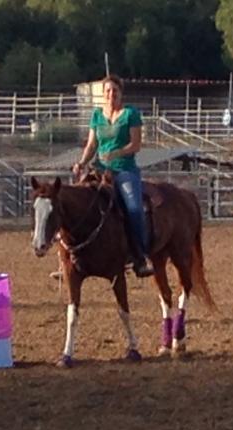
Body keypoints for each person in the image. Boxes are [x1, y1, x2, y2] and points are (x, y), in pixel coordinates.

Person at [72, 74, 153, 278]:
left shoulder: (130, 114)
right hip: (99, 169)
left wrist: (116, 153)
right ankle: (69, 256)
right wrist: (82, 162)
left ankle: (140, 255)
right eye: (107, 91)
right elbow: (92, 145)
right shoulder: (97, 115)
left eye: (114, 91)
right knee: (74, 203)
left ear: (120, 93)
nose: (111, 95)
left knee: (134, 208)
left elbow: (135, 144)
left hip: (124, 169)